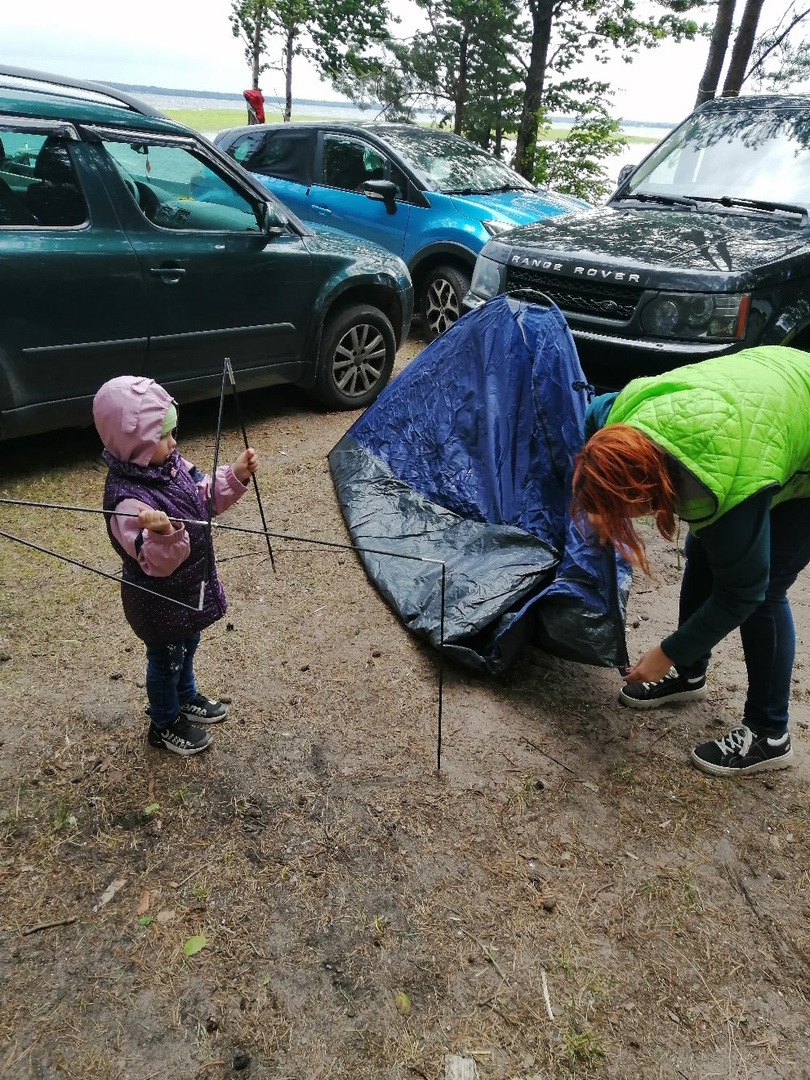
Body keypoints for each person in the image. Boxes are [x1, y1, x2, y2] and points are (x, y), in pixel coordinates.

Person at [570, 345, 810, 777]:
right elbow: (591, 418)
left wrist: (666, 651)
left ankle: (770, 733)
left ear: (647, 489)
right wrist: (593, 497)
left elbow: (742, 591)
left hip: (792, 431)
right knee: (705, 548)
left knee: (767, 586)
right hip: (764, 394)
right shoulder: (622, 414)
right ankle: (691, 674)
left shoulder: (715, 486)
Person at [92, 376, 258, 756]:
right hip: (157, 600)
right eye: (163, 437)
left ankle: (185, 697)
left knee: (188, 643)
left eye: (173, 432)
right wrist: (164, 533)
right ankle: (163, 723)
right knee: (166, 660)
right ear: (135, 445)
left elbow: (203, 497)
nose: (173, 442)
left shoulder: (172, 465)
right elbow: (155, 562)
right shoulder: (127, 502)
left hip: (184, 592)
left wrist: (234, 476)